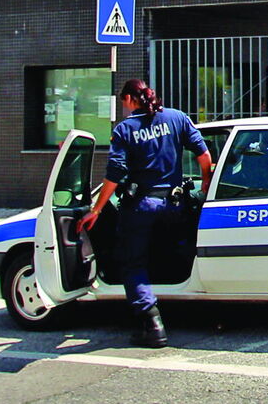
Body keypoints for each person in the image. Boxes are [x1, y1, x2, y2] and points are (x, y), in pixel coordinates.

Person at [77, 79, 213, 348]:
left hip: (141, 207)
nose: (124, 108)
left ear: (129, 99)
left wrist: (96, 209)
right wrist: (205, 185)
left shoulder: (125, 129)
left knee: (132, 262)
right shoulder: (177, 118)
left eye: (123, 103)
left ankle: (152, 324)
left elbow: (114, 176)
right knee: (176, 246)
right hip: (176, 206)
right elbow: (204, 155)